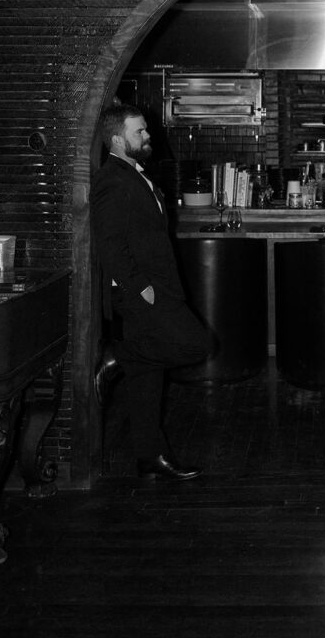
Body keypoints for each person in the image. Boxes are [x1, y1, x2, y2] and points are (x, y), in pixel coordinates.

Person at [90, 103, 209, 481]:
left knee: (147, 381)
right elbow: (109, 245)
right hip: (143, 292)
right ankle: (117, 358)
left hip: (157, 287)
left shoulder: (134, 175)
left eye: (145, 130)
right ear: (116, 139)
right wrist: (142, 288)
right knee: (198, 344)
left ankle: (150, 456)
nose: (147, 136)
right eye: (139, 131)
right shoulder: (112, 180)